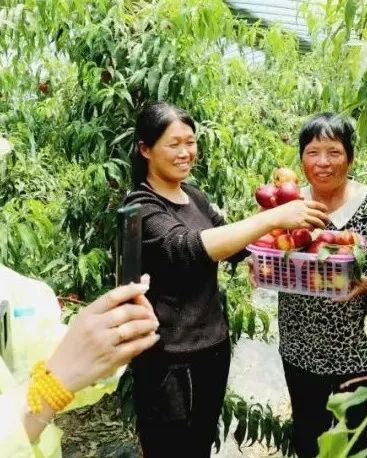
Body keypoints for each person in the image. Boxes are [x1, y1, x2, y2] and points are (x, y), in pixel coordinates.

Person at [123, 102, 329, 457]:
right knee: (170, 450)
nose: (186, 152)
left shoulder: (195, 197)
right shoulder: (140, 205)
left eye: (191, 142)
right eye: (174, 144)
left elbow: (235, 246)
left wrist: (295, 237)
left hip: (212, 347)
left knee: (200, 444)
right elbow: (186, 248)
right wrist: (274, 217)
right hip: (169, 358)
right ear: (145, 149)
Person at [273, 112, 367, 457]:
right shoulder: (288, 206)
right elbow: (267, 250)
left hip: (360, 350)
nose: (323, 162)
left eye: (334, 152)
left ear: (350, 156)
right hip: (301, 345)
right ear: (301, 157)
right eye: (313, 152)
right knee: (309, 436)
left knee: (362, 439)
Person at [0, 265, 159, 458]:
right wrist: (48, 387)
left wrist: (104, 350)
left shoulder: (23, 292)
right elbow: (60, 372)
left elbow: (60, 359)